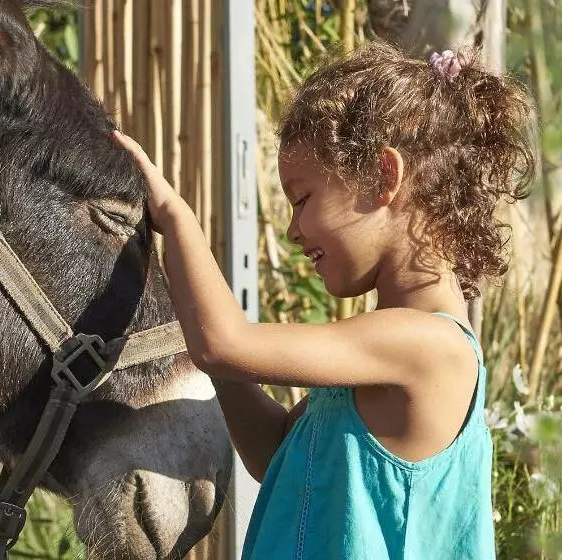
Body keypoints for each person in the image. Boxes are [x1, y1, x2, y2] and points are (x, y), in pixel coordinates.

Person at [112, 41, 534, 559]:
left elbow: (225, 343)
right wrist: (203, 338)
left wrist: (175, 217)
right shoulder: (381, 357)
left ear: (384, 178)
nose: (292, 230)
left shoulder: (429, 346)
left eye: (303, 199)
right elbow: (276, 453)